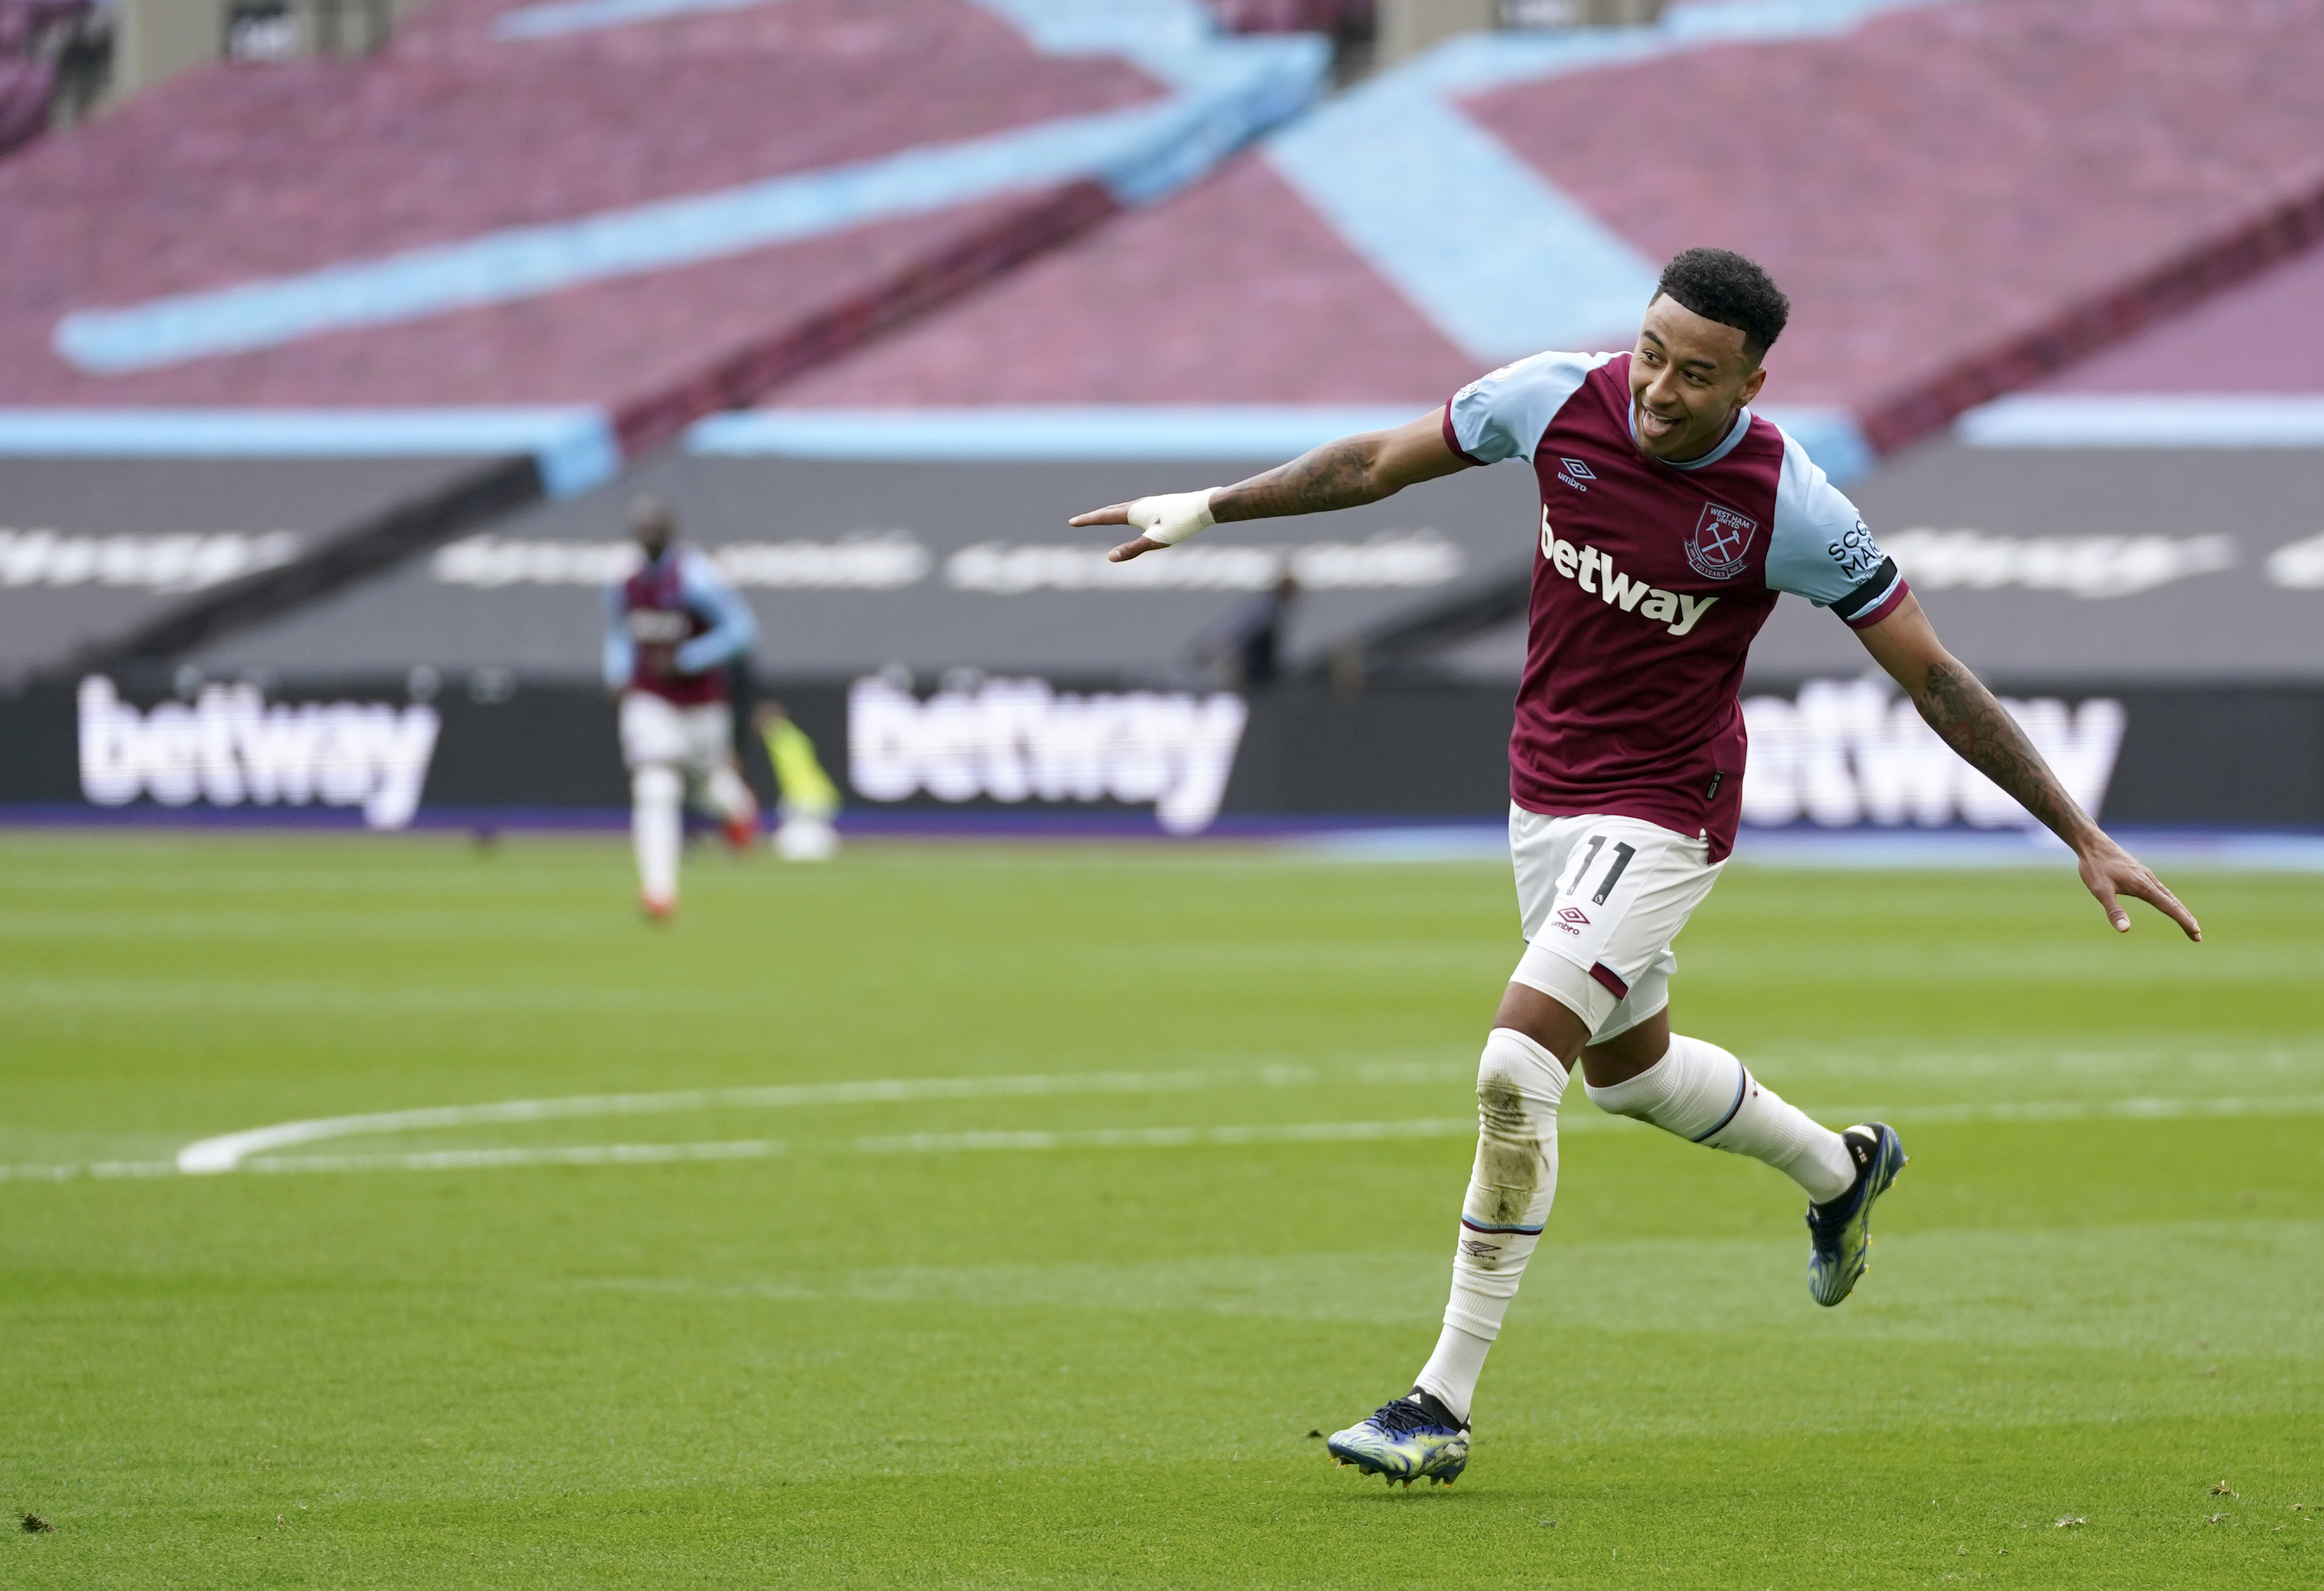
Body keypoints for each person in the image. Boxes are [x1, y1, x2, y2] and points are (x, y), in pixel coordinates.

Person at [1069, 247, 2201, 1488]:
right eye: (1653, 353)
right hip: (1544, 794)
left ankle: (1435, 1401)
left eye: (1696, 374)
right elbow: (1377, 464)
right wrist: (1213, 508)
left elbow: (1931, 674)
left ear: (1753, 383)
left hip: (1667, 806)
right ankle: (1841, 1165)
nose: (1659, 389)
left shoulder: (1790, 507)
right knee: (1631, 1076)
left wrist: (2078, 832)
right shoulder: (1557, 397)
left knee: (1515, 1066)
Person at [603, 495, 759, 919]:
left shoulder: (697, 578)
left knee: (707, 787)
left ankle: (739, 810)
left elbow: (742, 630)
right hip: (650, 698)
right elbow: (619, 631)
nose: (648, 536)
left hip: (700, 704)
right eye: (642, 529)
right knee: (655, 784)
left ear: (670, 531)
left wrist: (688, 658)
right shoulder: (625, 580)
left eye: (655, 528)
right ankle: (659, 891)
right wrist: (617, 671)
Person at [753, 700, 842, 862]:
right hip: (812, 794)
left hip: (808, 797)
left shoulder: (782, 740)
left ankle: (822, 841)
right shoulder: (795, 737)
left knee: (792, 847)